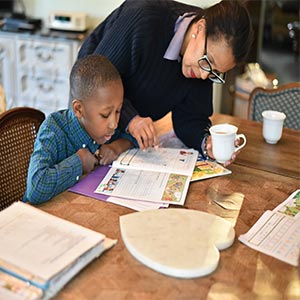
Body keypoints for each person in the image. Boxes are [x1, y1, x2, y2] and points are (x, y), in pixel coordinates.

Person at [77, 0, 253, 166]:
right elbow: (94, 81)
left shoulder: (201, 68)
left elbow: (190, 119)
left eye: (215, 72)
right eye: (208, 61)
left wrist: (206, 142)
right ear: (200, 28)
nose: (204, 76)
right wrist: (131, 119)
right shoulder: (143, 18)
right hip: (92, 106)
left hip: (127, 137)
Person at [24, 54, 137, 204]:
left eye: (118, 111)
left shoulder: (104, 129)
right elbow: (36, 189)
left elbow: (133, 137)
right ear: (79, 109)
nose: (114, 124)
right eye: (105, 115)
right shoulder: (53, 130)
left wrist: (117, 146)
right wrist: (79, 162)